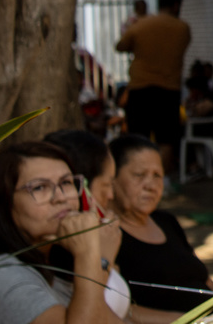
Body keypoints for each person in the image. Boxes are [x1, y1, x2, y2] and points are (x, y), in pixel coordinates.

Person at [0, 140, 121, 324]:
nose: (61, 197)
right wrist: (94, 257)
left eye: (66, 182)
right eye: (39, 187)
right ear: (4, 201)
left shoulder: (55, 254)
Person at [110, 135, 213, 317]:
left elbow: (204, 279)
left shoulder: (166, 221)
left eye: (157, 175)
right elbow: (118, 310)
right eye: (139, 175)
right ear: (112, 178)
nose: (151, 185)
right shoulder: (108, 236)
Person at [44, 129, 132, 319]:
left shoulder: (103, 239)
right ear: (81, 190)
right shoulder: (45, 263)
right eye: (107, 184)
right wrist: (102, 261)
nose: (110, 195)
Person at [116, 0, 191, 174]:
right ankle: (162, 180)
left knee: (138, 138)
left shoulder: (141, 25)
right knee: (166, 140)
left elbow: (121, 46)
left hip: (141, 89)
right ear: (176, 5)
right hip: (169, 90)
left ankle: (137, 176)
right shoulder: (182, 28)